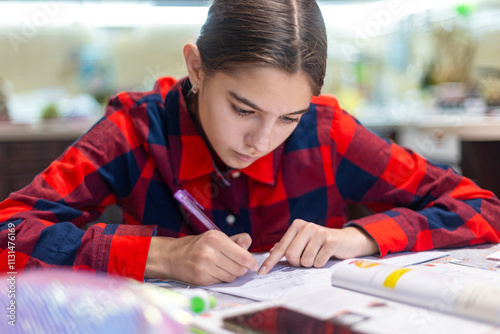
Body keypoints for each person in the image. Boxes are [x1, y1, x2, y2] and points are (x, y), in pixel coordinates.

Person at [1, 0, 500, 286]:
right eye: (243, 110)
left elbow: (482, 208)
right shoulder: (135, 132)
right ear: (196, 68)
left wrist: (357, 237)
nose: (263, 140)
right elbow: (7, 234)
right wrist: (163, 255)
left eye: (288, 117)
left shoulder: (326, 133)